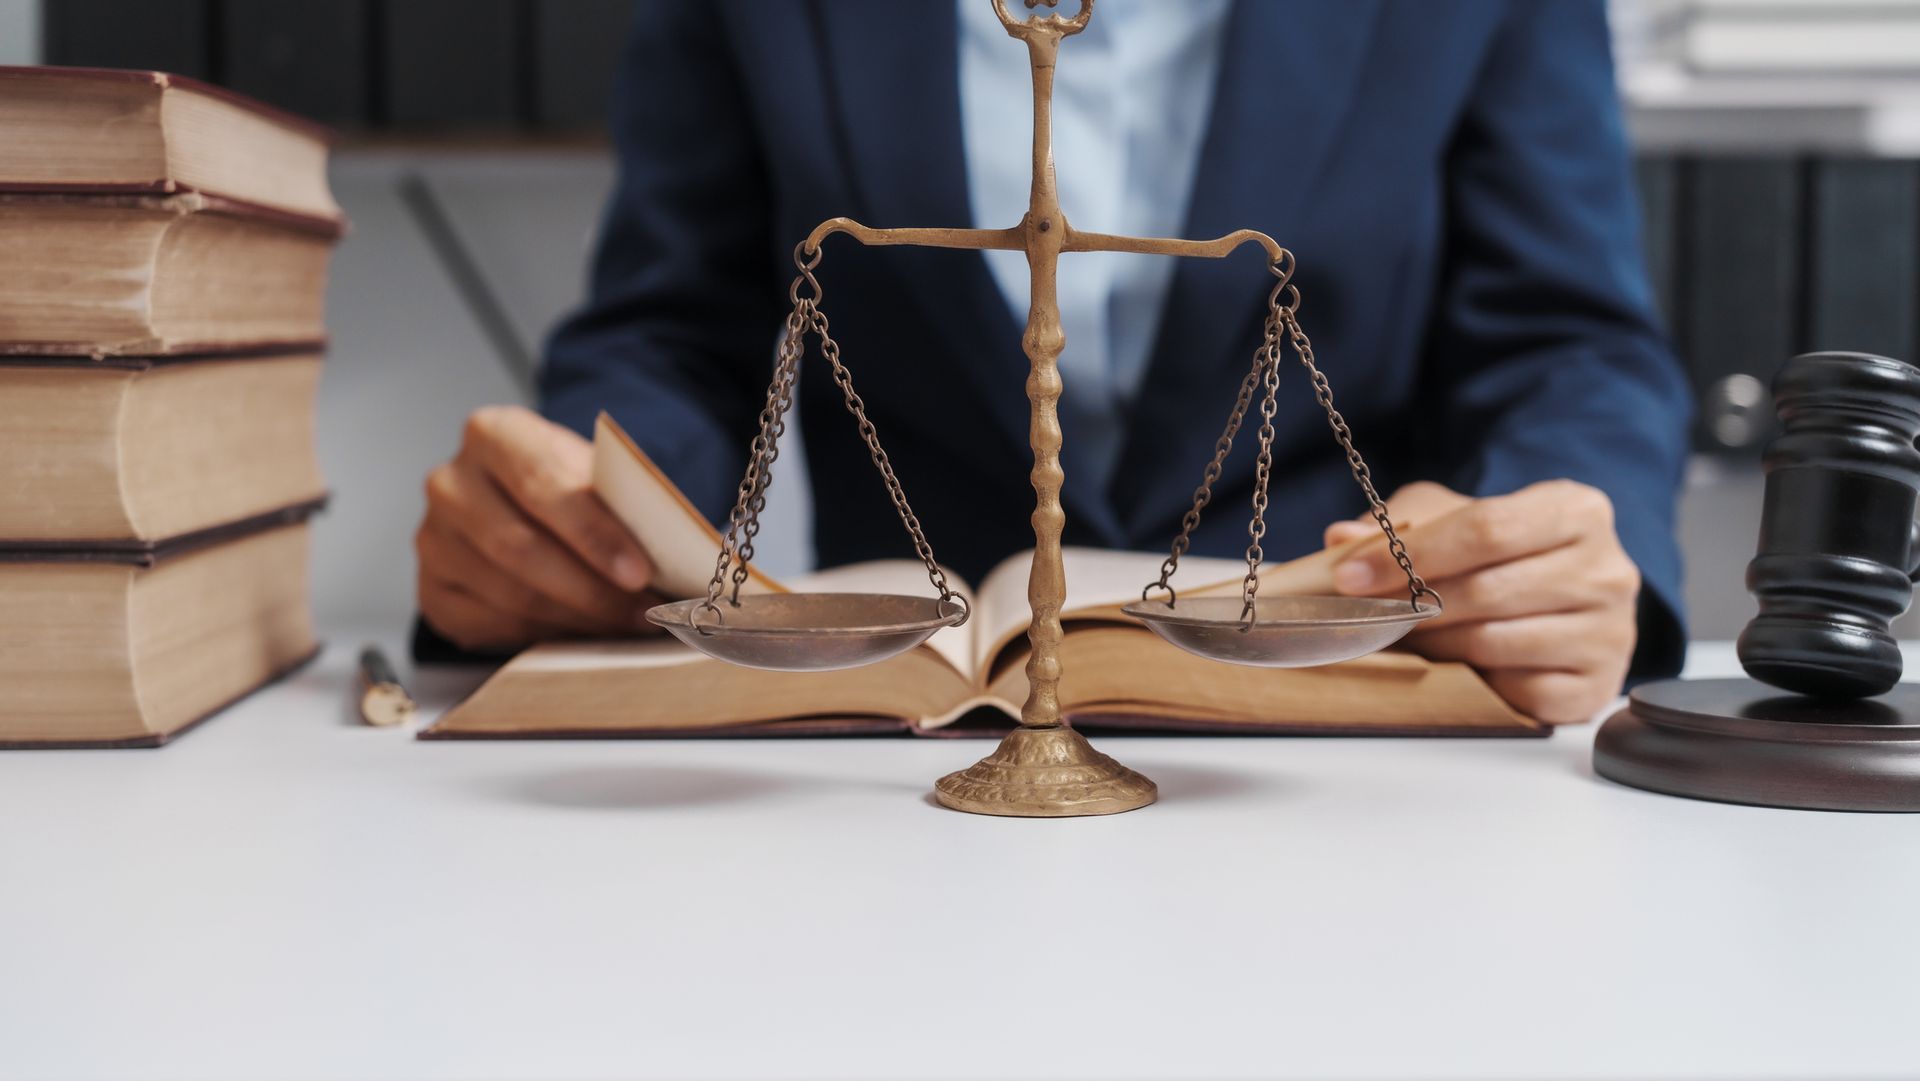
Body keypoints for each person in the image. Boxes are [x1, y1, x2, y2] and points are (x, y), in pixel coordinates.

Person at [415, 0, 1691, 726]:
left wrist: (1558, 551)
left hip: (1350, 729)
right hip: (895, 759)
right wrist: (585, 531)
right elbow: (668, 332)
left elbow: (1568, 345)